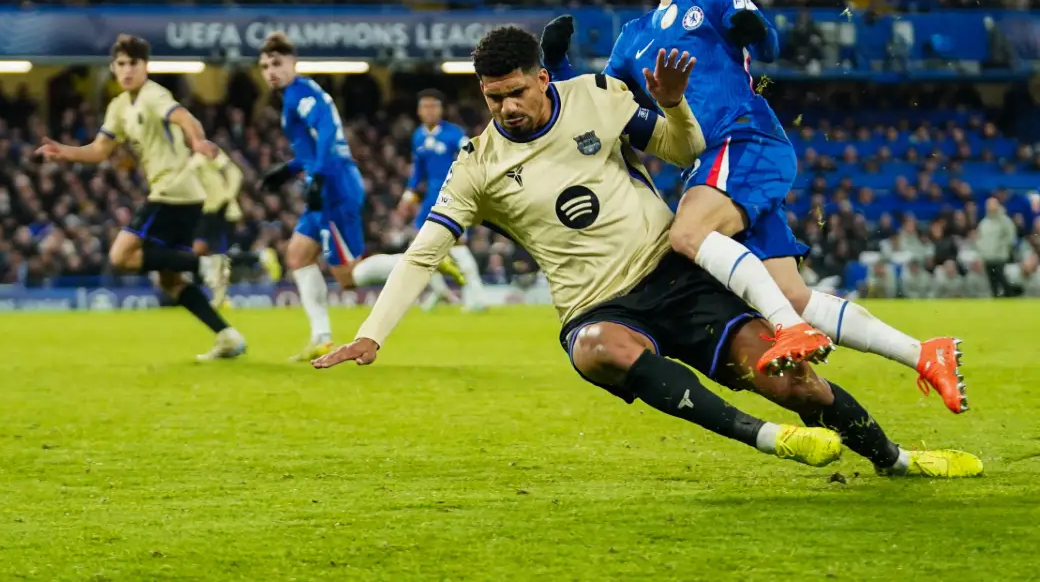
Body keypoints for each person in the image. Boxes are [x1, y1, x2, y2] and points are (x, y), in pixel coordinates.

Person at [315, 26, 981, 479]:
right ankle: (770, 440)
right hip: (596, 305)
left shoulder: (597, 99)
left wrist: (674, 106)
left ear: (543, 78)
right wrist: (373, 334)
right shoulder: (476, 164)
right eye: (493, 98)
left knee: (796, 382)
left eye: (517, 91)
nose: (508, 107)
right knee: (601, 348)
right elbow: (423, 253)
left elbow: (682, 150)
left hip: (675, 276)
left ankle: (892, 459)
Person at [542, 0, 966, 414]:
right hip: (719, 158)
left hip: (744, 140)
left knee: (687, 234)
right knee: (790, 294)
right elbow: (604, 101)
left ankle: (791, 336)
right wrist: (558, 73)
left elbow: (764, 43)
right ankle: (925, 352)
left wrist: (747, 25)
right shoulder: (633, 35)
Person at [35, 34, 245, 362]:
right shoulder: (119, 106)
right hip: (184, 196)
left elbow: (184, 117)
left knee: (121, 256)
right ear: (113, 68)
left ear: (145, 67)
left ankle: (207, 264)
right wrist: (65, 153)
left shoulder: (153, 95)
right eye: (121, 64)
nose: (128, 70)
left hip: (172, 190)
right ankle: (227, 335)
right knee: (170, 279)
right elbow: (100, 150)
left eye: (134, 63)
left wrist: (198, 141)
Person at [257, 33, 462, 362]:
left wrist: (319, 175)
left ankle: (424, 262)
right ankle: (322, 337)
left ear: (294, 63)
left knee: (348, 277)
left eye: (278, 63)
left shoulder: (300, 94)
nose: (271, 71)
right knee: (297, 255)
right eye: (265, 65)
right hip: (324, 183)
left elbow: (326, 133)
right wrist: (290, 168)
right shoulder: (296, 95)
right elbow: (315, 144)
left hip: (333, 187)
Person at [398, 89, 486, 311]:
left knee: (457, 245)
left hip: (451, 197)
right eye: (425, 106)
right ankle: (441, 292)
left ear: (441, 109)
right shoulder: (418, 136)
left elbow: (473, 155)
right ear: (419, 111)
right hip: (429, 200)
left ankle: (476, 296)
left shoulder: (454, 134)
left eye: (433, 106)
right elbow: (418, 171)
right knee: (419, 248)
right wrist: (409, 194)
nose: (429, 111)